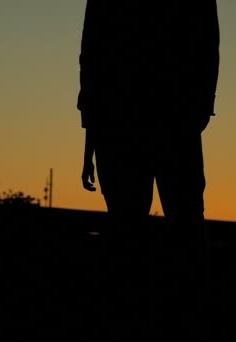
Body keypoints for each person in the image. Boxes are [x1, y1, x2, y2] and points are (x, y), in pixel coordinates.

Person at [77, 1, 220, 341]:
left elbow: (92, 58)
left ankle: (165, 316)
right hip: (152, 125)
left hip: (136, 125)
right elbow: (92, 58)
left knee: (149, 228)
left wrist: (91, 135)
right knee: (167, 227)